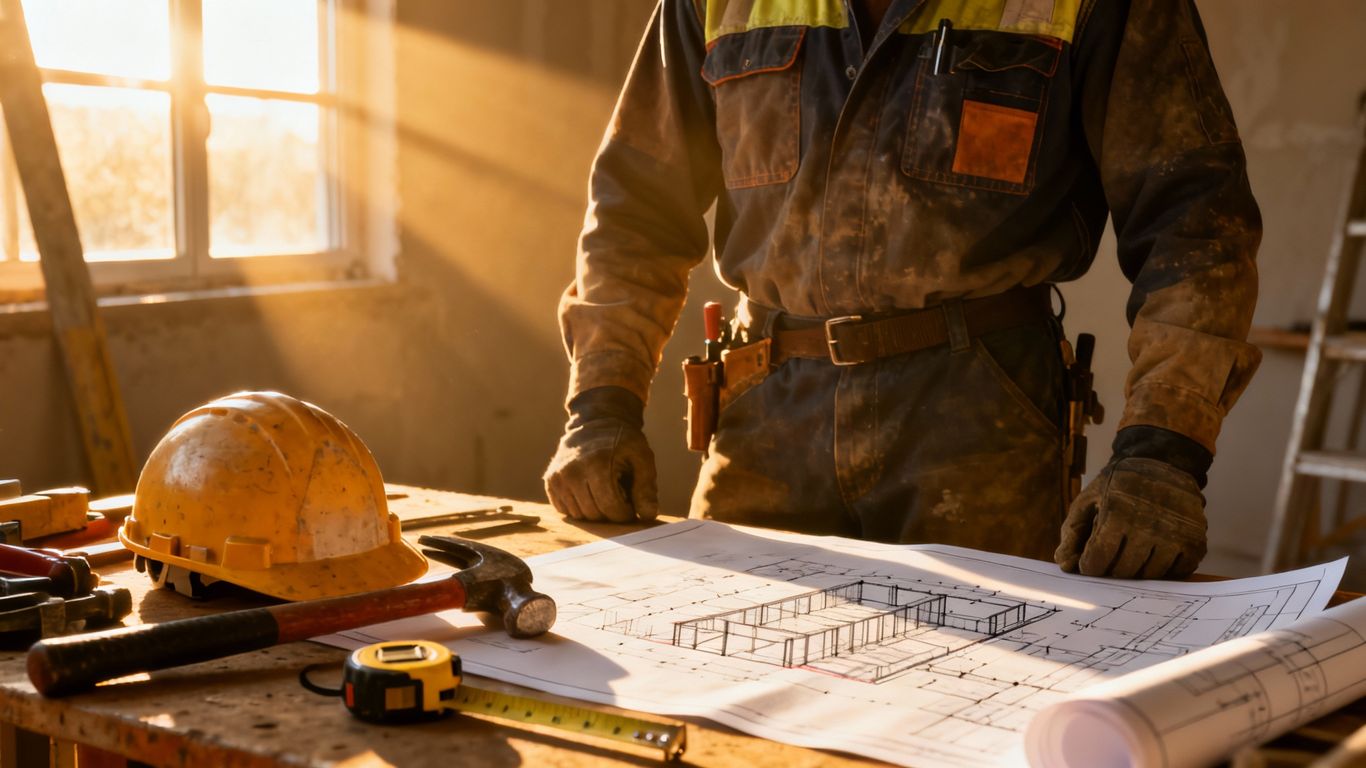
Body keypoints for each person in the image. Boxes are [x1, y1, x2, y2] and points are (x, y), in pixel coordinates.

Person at [543, 0, 1261, 580]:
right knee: (730, 681)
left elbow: (1196, 227)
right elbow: (636, 214)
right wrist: (601, 408)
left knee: (982, 702)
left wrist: (1160, 455)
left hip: (980, 423)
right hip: (766, 412)